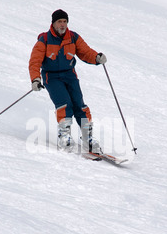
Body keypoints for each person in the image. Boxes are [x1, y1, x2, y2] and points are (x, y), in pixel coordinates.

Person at [28, 9, 107, 153]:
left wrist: (96, 57)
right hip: (51, 77)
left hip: (70, 75)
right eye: (59, 22)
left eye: (64, 21)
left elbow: (85, 52)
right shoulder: (44, 40)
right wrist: (35, 79)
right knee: (64, 103)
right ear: (53, 23)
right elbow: (35, 61)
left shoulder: (73, 37)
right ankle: (64, 136)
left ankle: (87, 137)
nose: (62, 25)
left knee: (79, 104)